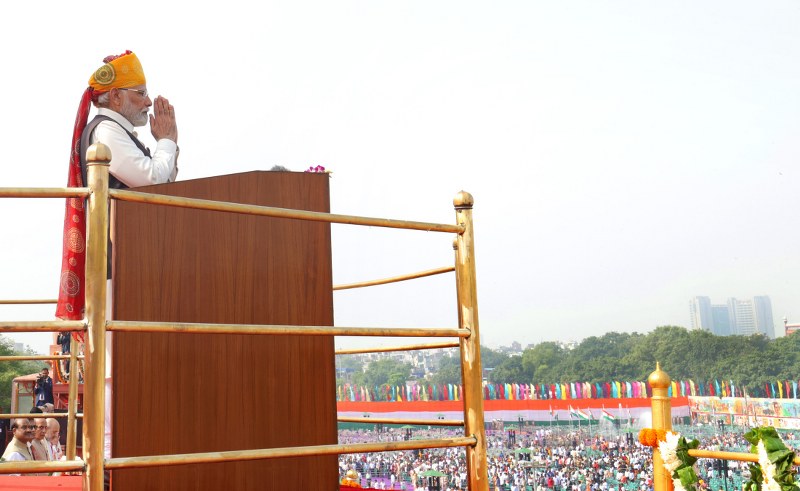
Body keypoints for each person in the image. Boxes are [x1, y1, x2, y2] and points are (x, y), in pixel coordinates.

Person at [56, 49, 180, 321]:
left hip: (129, 259)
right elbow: (153, 181)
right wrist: (166, 141)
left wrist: (168, 144)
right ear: (115, 96)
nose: (148, 102)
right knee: (116, 341)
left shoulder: (115, 130)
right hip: (118, 262)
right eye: (141, 93)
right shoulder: (106, 130)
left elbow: (162, 185)